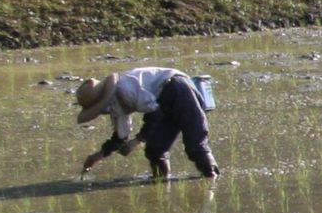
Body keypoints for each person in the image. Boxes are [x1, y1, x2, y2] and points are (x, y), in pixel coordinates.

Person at [76, 68, 219, 181]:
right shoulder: (116, 104)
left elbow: (154, 114)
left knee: (195, 143)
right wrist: (97, 156)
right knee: (154, 150)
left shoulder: (125, 89)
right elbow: (120, 137)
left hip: (178, 88)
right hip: (163, 102)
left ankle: (211, 180)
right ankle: (161, 182)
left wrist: (137, 141)